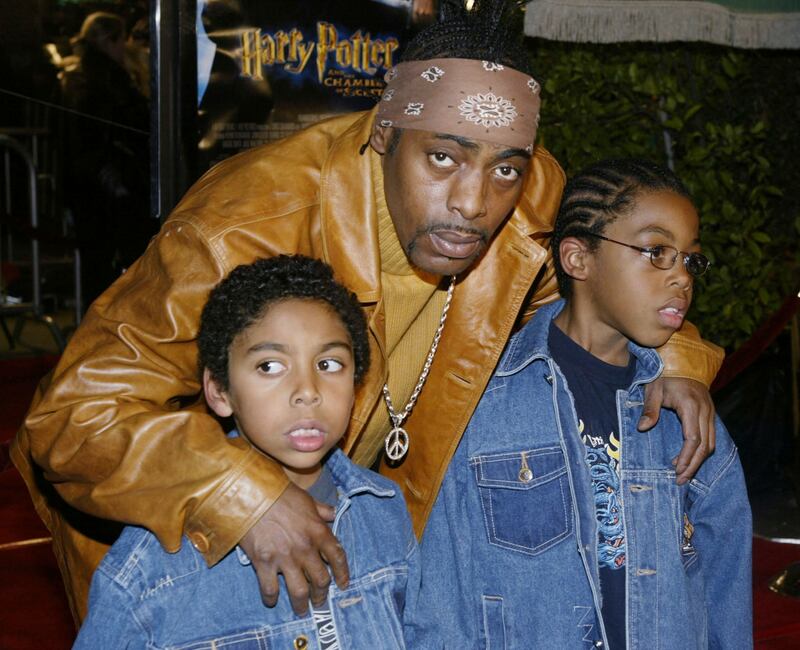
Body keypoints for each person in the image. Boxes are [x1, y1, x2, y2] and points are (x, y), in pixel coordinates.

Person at [12, 0, 722, 624]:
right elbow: (75, 416)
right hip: (176, 532)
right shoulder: (244, 225)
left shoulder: (530, 202)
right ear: (383, 134)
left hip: (360, 510)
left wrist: (677, 358)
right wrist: (238, 493)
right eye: (442, 158)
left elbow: (588, 296)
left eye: (505, 166)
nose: (474, 203)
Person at [411, 159, 751, 648]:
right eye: (656, 251)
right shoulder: (484, 400)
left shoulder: (685, 414)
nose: (681, 277)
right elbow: (441, 600)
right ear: (577, 259)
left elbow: (725, 583)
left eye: (689, 259)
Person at [72, 255, 421, 649]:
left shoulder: (384, 511)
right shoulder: (157, 563)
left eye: (329, 363)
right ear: (219, 392)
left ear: (356, 383)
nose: (308, 390)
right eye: (270, 366)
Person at [59, 11, 155, 305]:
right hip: (114, 182)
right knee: (127, 263)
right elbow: (134, 124)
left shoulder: (74, 76)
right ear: (110, 41)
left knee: (96, 265)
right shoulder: (111, 77)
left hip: (87, 183)